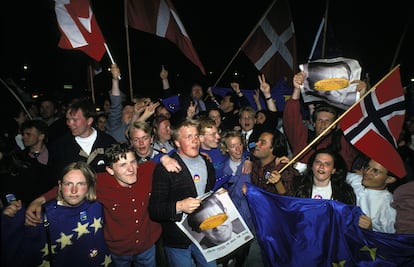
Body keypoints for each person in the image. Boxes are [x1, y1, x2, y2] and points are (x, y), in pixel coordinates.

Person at [25, 143, 162, 266]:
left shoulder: (146, 171)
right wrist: (40, 200)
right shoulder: (100, 183)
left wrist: (164, 158)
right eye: (122, 165)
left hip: (147, 247)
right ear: (110, 170)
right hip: (119, 252)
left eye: (133, 162)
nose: (131, 169)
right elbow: (68, 185)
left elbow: (161, 158)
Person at [1, 162, 113, 267]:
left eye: (80, 184)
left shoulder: (98, 204)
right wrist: (9, 220)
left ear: (88, 186)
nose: (74, 190)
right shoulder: (40, 216)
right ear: (60, 185)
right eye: (68, 184)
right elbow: (17, 254)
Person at [148, 119, 216, 267]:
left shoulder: (207, 163)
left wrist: (219, 194)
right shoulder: (165, 169)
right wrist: (179, 206)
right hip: (177, 240)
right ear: (177, 142)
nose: (195, 141)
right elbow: (154, 210)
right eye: (188, 137)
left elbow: (209, 193)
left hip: (205, 234)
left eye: (196, 136)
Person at [282, 71, 360, 171]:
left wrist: (360, 95)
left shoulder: (342, 143)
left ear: (334, 125)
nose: (323, 124)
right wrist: (297, 89)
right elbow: (291, 118)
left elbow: (358, 126)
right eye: (319, 120)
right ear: (314, 124)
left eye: (328, 121)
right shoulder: (302, 138)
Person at [219, 130, 263, 267]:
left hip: (248, 217)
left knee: (242, 253)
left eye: (239, 144)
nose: (238, 149)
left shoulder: (252, 163)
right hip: (228, 217)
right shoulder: (222, 167)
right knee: (226, 250)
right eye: (233, 146)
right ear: (226, 148)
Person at [47, 97, 117, 179]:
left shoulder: (108, 142)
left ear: (89, 121)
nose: (69, 123)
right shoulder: (60, 146)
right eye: (68, 119)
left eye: (74, 120)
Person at [346, 158, 397, 233]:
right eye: (368, 167)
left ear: (389, 179)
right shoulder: (356, 180)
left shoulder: (387, 207)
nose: (367, 172)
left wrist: (370, 230)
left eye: (375, 171)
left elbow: (389, 239)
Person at [292, 148, 356, 204]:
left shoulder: (344, 192)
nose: (321, 166)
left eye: (327, 164)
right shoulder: (299, 187)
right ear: (312, 166)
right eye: (318, 162)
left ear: (333, 170)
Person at [251, 130, 297, 196]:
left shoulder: (284, 169)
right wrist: (247, 158)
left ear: (273, 148)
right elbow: (245, 146)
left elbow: (289, 200)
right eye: (258, 141)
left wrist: (278, 183)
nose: (256, 144)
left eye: (262, 142)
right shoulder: (253, 162)